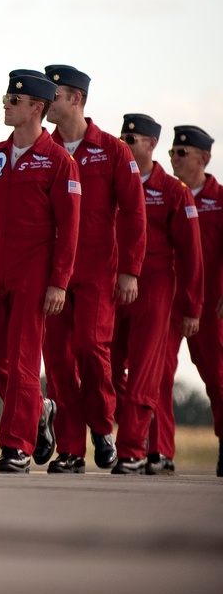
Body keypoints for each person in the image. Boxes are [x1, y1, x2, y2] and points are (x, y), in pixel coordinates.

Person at [0, 69, 81, 473]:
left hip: (35, 269)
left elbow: (70, 228)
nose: (6, 104)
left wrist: (58, 282)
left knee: (24, 356)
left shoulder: (59, 162)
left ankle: (15, 445)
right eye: (6, 98)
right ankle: (39, 406)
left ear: (37, 108)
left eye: (15, 100)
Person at [40, 65, 146, 474]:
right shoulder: (44, 150)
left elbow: (135, 213)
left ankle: (102, 429)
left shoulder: (113, 150)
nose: (47, 102)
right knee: (59, 361)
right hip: (52, 273)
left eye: (55, 94)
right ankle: (70, 448)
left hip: (98, 271)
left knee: (90, 347)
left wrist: (130, 270)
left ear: (76, 99)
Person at [110, 117, 203, 474]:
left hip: (155, 289)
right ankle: (144, 438)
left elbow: (191, 255)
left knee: (148, 373)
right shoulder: (114, 183)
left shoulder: (173, 190)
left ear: (149, 144)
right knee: (108, 368)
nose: (124, 144)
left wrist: (192, 307)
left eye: (130, 139)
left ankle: (136, 448)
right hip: (115, 286)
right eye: (121, 138)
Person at [151, 125, 221, 476]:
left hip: (210, 305)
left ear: (203, 158)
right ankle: (161, 449)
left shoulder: (219, 200)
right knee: (158, 373)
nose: (174, 158)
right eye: (171, 153)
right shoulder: (164, 194)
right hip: (167, 299)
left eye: (182, 153)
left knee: (217, 375)